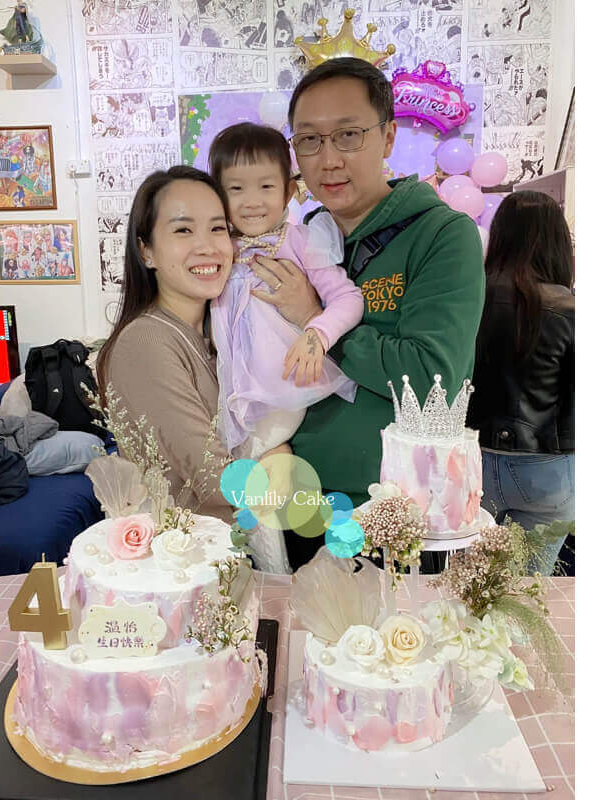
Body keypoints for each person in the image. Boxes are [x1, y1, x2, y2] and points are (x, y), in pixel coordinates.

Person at [244, 57, 485, 570]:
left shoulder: (441, 235)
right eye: (309, 140)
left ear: (388, 136)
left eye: (348, 135)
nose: (328, 159)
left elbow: (432, 379)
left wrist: (317, 319)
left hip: (391, 521)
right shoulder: (301, 238)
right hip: (297, 502)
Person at [208, 122, 364, 572]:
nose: (252, 201)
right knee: (244, 491)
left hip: (282, 386)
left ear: (289, 190)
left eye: (265, 186)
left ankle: (273, 581)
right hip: (233, 388)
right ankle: (257, 578)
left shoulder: (303, 240)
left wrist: (318, 332)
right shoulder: (220, 246)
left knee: (255, 490)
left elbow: (348, 298)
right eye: (236, 188)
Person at [96, 165, 264, 524]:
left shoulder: (220, 331)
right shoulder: (146, 342)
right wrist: (290, 472)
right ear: (146, 252)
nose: (207, 247)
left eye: (218, 228)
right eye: (183, 230)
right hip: (193, 552)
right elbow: (217, 482)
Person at [467, 191, 574, 576]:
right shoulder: (570, 310)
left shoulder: (468, 296)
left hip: (471, 461)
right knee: (525, 595)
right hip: (546, 468)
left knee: (466, 588)